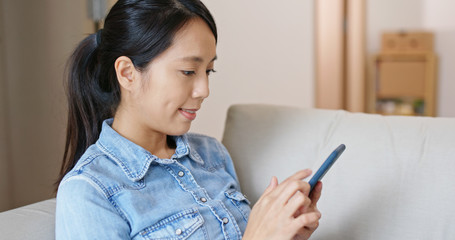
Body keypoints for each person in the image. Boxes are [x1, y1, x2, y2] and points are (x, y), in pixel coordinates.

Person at [55, 0, 322, 239]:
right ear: (127, 73)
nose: (204, 90)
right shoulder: (89, 191)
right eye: (188, 71)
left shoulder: (212, 154)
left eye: (208, 71)